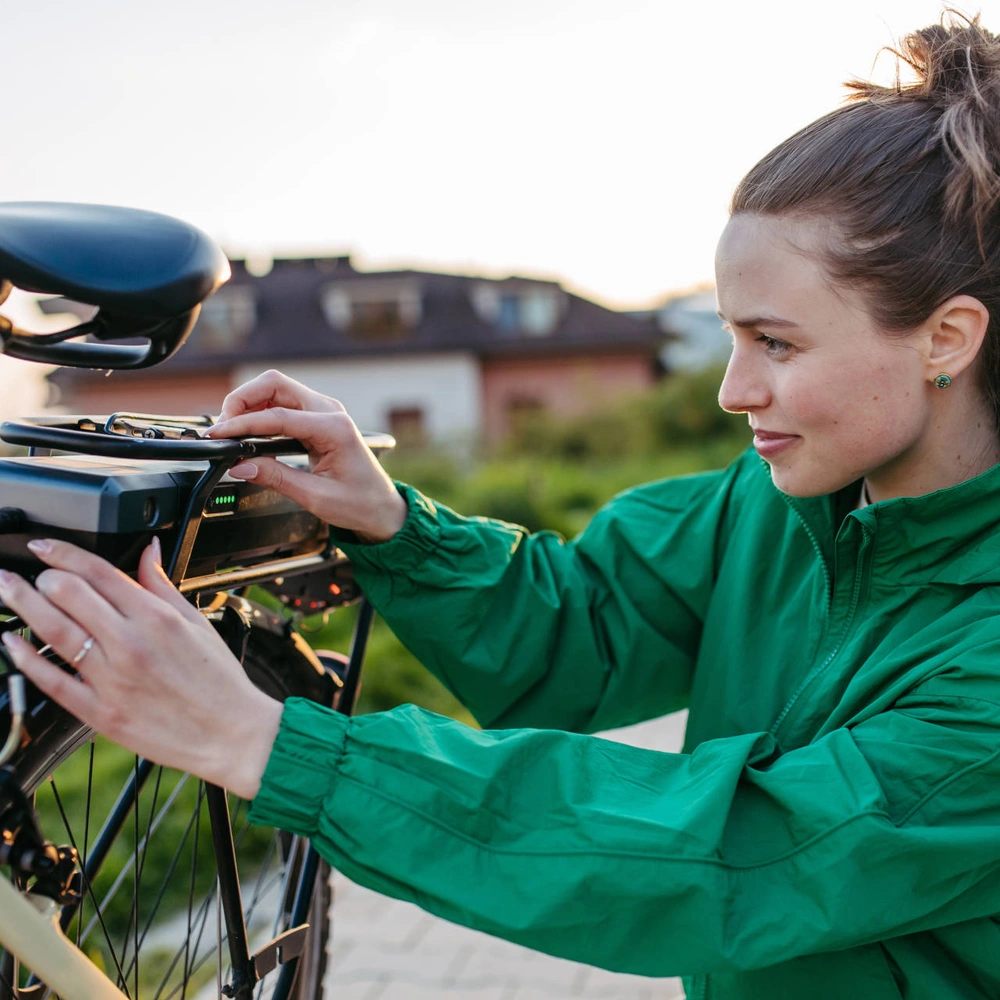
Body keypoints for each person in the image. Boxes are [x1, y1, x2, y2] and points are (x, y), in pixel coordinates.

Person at [4, 11, 1000, 999]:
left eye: (776, 345)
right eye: (733, 337)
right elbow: (585, 623)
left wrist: (264, 743)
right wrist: (395, 523)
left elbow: (729, 855)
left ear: (945, 339)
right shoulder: (793, 496)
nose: (731, 390)